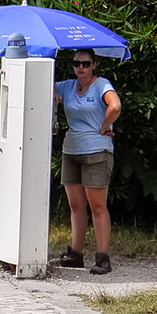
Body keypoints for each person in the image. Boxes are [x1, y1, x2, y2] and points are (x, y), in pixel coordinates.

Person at [53, 51, 121, 275]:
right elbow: (40, 86)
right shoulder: (67, 86)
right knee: (75, 205)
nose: (80, 67)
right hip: (71, 150)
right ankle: (75, 253)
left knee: (97, 206)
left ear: (94, 65)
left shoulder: (101, 84)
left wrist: (104, 126)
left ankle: (102, 258)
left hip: (96, 151)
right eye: (76, 63)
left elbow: (115, 106)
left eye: (85, 63)